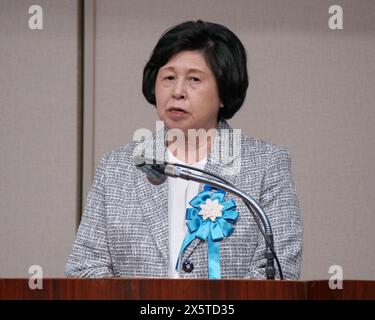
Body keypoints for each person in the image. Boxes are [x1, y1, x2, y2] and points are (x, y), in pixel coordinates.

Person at [65, 20, 302, 279]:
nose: (177, 92)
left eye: (194, 80)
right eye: (168, 77)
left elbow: (277, 274)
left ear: (224, 92)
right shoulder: (117, 167)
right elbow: (85, 268)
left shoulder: (266, 165)